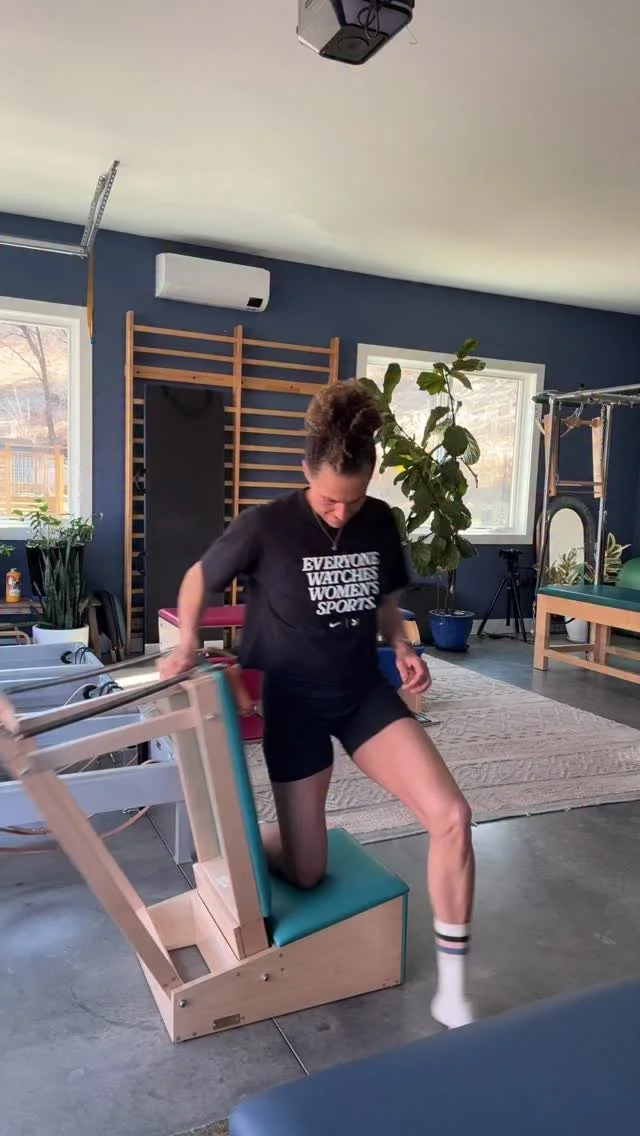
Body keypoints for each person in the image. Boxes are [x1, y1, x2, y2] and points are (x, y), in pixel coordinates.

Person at [161, 381, 475, 1028]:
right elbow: (197, 577)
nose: (340, 513)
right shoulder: (265, 525)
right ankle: (252, 842)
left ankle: (453, 988)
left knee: (452, 816)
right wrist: (188, 641)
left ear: (371, 476)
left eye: (352, 499)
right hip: (294, 704)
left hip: (361, 695)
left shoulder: (379, 520)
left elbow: (385, 601)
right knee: (307, 874)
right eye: (330, 499)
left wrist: (402, 644)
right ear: (305, 470)